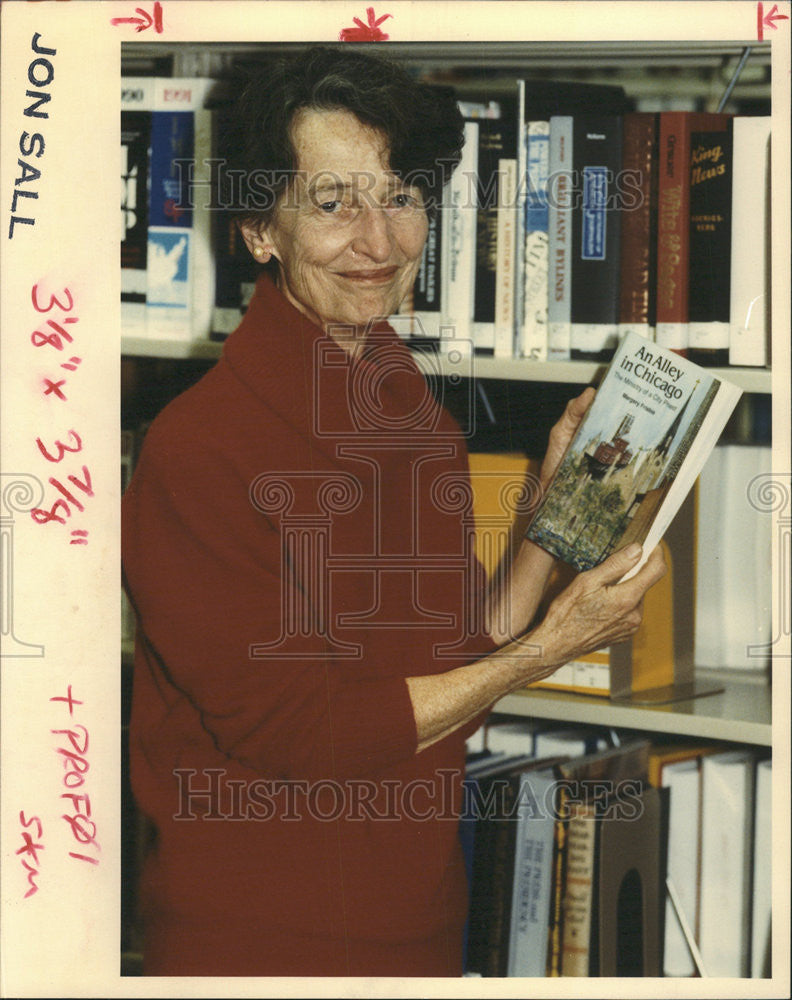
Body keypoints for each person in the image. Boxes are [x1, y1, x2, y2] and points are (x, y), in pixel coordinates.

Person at [121, 46, 666, 977]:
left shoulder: (405, 400)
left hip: (418, 922)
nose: (380, 242)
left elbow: (459, 652)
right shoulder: (199, 450)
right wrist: (552, 647)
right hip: (260, 942)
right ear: (262, 229)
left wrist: (554, 485)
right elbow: (303, 735)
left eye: (403, 197)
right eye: (334, 204)